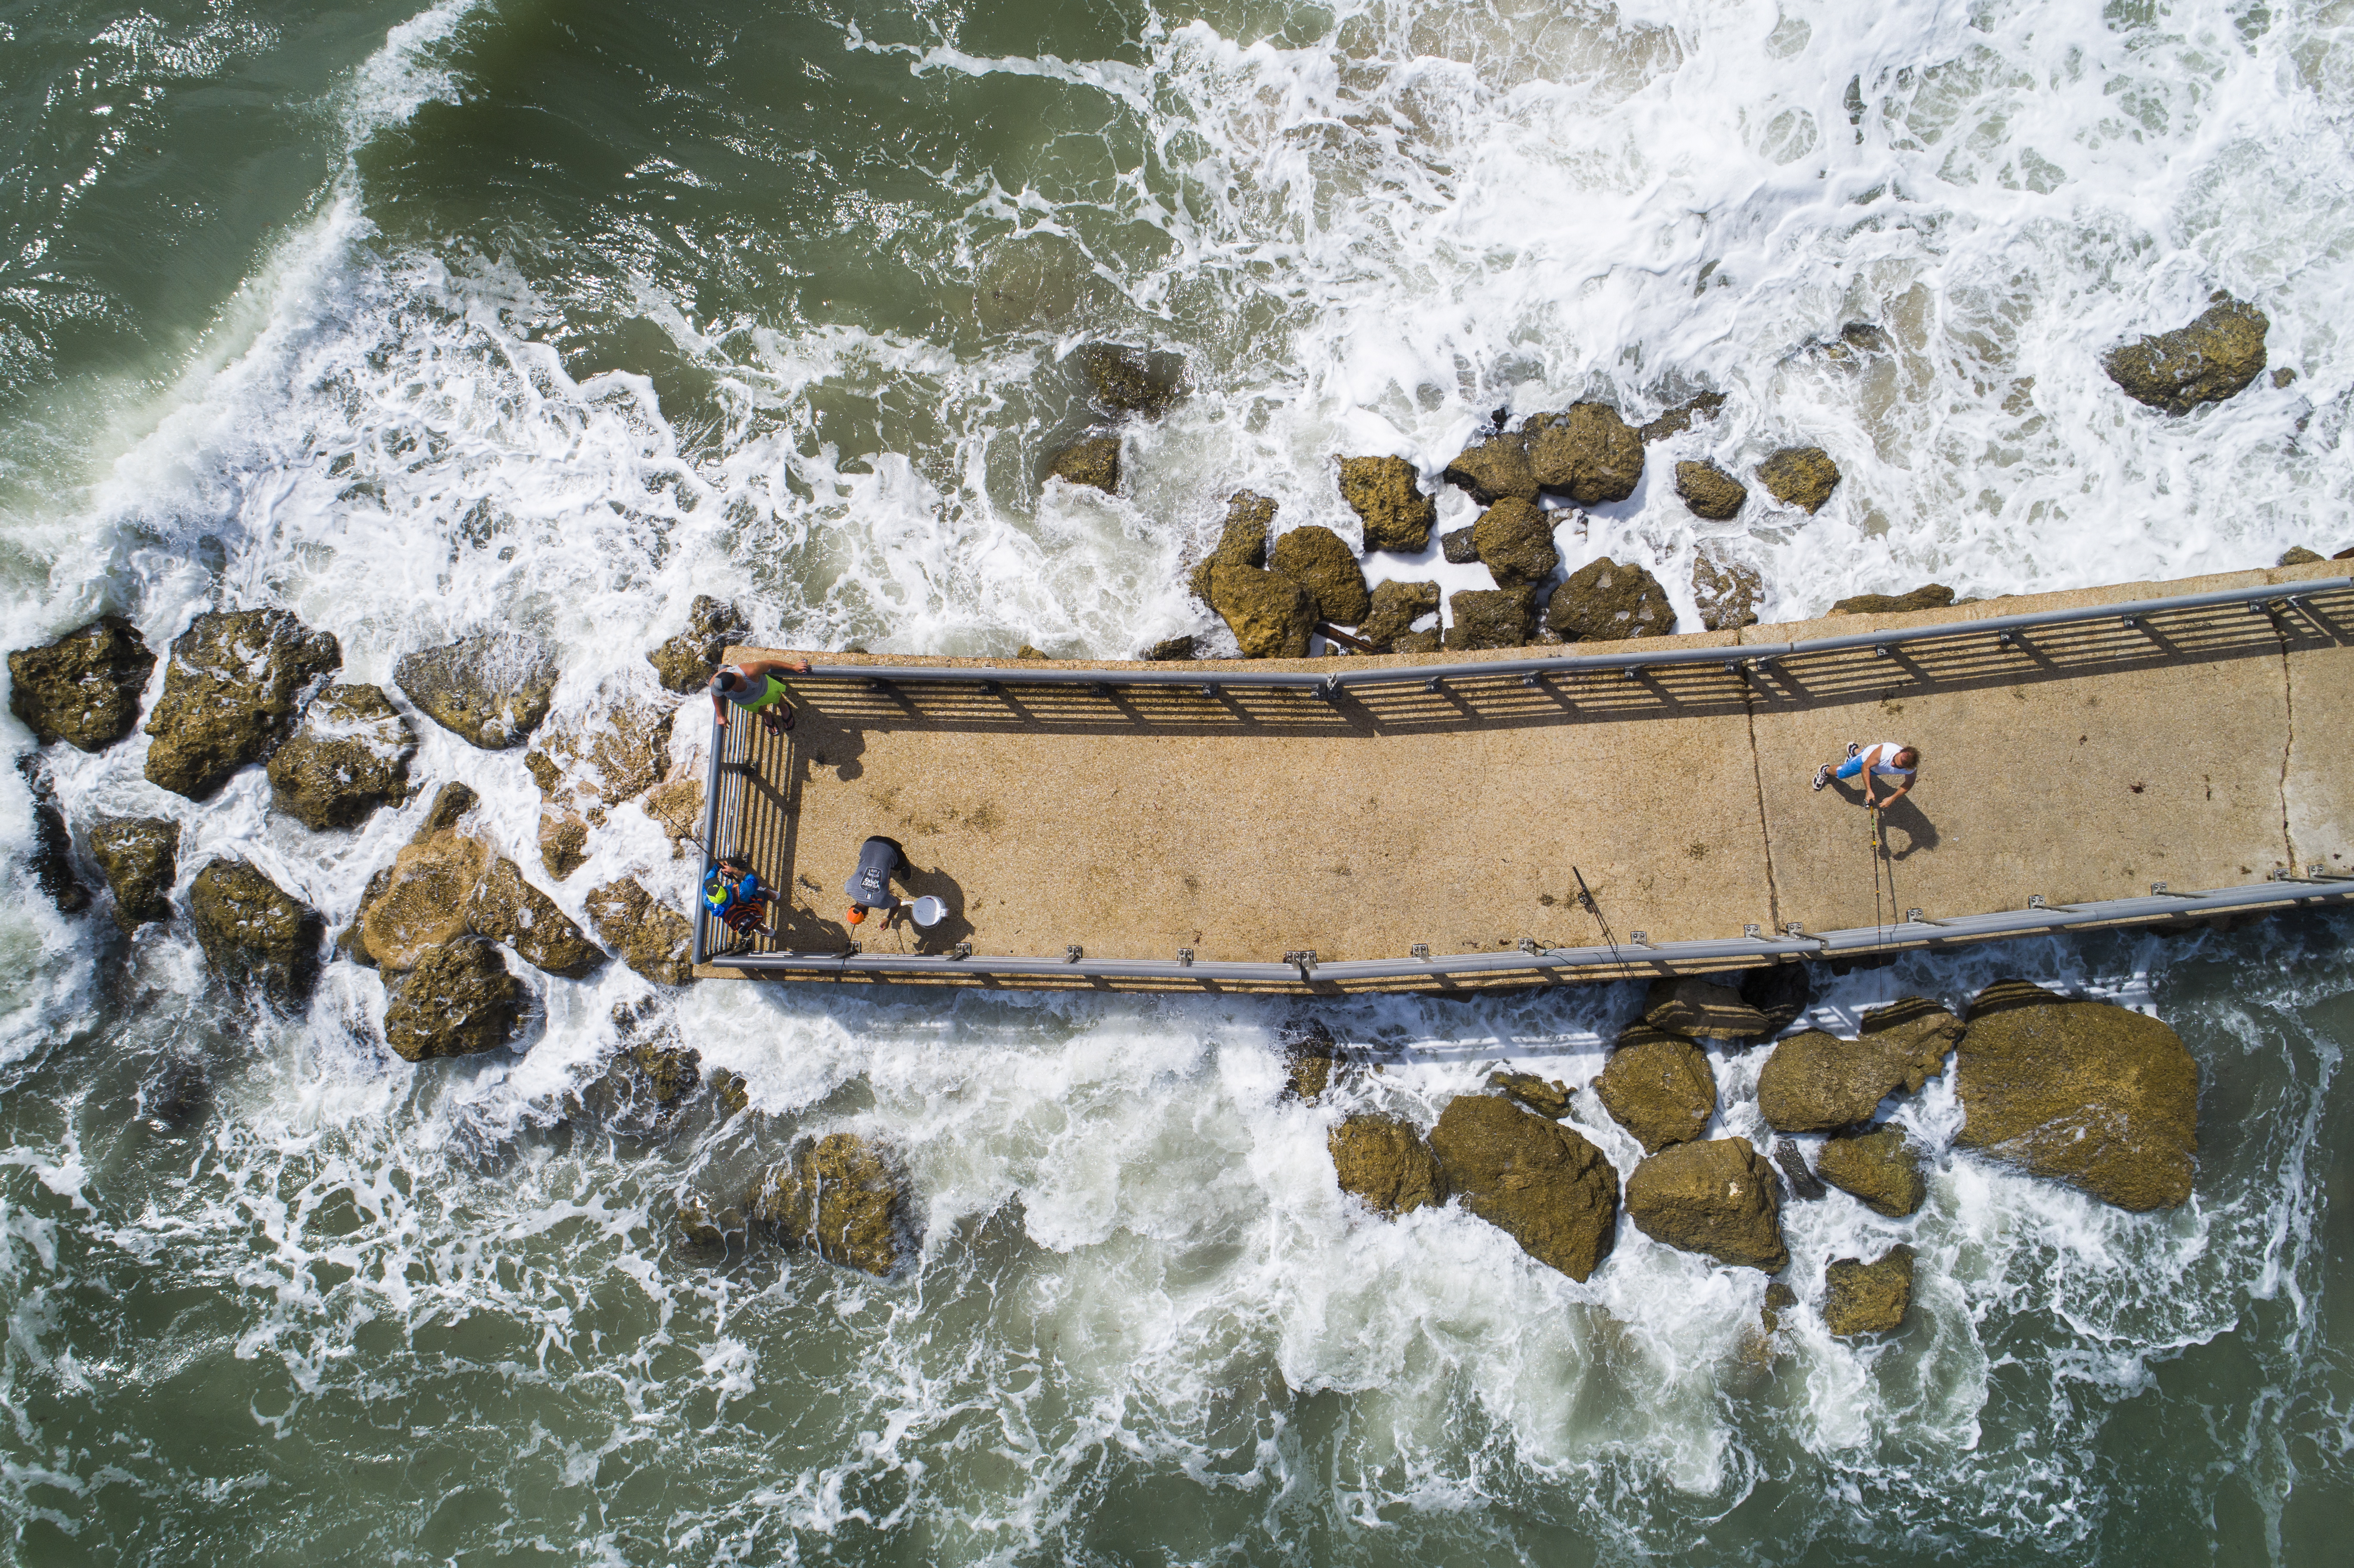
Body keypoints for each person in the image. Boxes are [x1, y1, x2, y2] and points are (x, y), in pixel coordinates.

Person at [710, 656, 813, 736]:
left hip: (765, 691)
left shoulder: (750, 672)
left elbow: (769, 664)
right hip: (747, 703)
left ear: (731, 687)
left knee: (777, 699)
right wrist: (720, 716)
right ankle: (766, 715)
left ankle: (784, 708)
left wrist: (794, 667)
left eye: (725, 691)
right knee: (757, 709)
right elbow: (715, 694)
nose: (722, 693)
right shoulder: (716, 682)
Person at [1814, 741, 1920, 806]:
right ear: (1901, 751)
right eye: (1894, 759)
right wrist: (1869, 791)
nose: (1892, 765)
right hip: (1865, 761)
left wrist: (1892, 798)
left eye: (1898, 766)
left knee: (1873, 764)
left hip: (1878, 768)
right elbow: (1866, 767)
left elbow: (1908, 784)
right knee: (1842, 773)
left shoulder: (1911, 769)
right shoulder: (1886, 751)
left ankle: (1853, 750)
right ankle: (1825, 770)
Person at [843, 835, 909, 928]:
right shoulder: (848, 888)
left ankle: (904, 866)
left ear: (866, 915)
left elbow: (897, 903)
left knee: (900, 864)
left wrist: (889, 918)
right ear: (851, 907)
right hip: (870, 842)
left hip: (891, 846)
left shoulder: (881, 903)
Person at [701, 856, 773, 938]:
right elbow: (753, 880)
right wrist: (734, 871)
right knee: (765, 894)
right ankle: (775, 896)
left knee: (753, 923)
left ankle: (767, 932)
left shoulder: (708, 903)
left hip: (742, 919)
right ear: (724, 890)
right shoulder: (741, 891)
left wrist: (716, 867)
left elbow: (707, 881)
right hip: (755, 903)